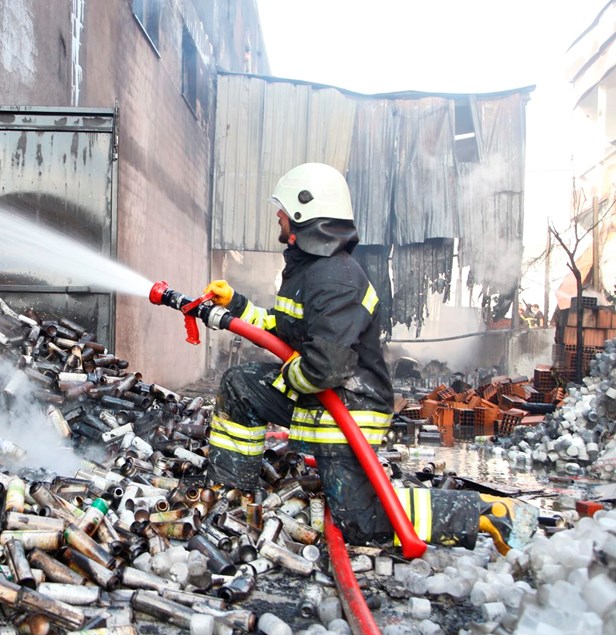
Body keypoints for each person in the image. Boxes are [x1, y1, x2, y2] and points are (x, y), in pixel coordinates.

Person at [203, 162, 536, 554]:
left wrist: (287, 377)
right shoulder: (307, 272)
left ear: (303, 215)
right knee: (240, 385)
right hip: (320, 395)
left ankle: (484, 511)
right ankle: (233, 490)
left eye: (283, 208)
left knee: (361, 522)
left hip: (349, 408)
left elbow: (326, 366)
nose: (277, 215)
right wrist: (236, 306)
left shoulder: (335, 277)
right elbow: (282, 329)